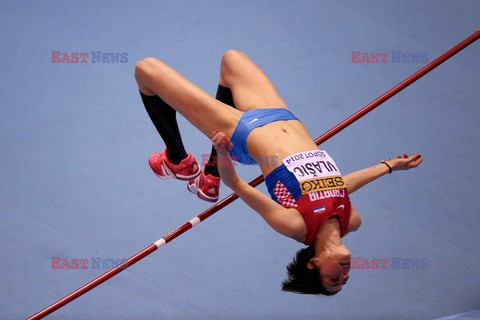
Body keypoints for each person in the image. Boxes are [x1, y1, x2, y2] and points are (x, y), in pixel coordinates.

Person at [135, 50, 423, 295]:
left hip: (242, 133)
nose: (344, 275)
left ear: (314, 263)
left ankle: (176, 160)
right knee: (231, 60)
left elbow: (236, 183)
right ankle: (207, 177)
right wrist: (387, 167)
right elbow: (341, 184)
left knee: (145, 70)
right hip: (279, 115)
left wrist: (222, 153)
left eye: (333, 278)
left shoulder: (296, 226)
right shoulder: (352, 220)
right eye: (344, 280)